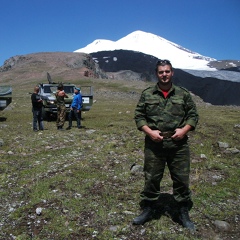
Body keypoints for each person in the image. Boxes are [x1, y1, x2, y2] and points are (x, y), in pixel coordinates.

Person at [133, 59, 198, 231]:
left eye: (167, 71)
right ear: (157, 74)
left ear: (172, 73)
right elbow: (139, 116)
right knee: (152, 178)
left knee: (181, 179)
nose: (164, 74)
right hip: (155, 145)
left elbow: (193, 115)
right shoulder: (147, 94)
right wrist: (149, 132)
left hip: (179, 146)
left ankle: (182, 211)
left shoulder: (183, 94)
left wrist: (184, 131)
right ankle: (149, 209)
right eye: (161, 72)